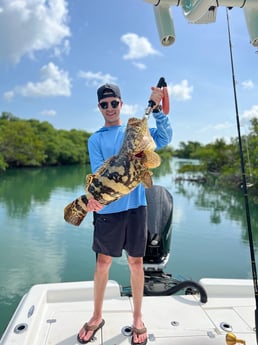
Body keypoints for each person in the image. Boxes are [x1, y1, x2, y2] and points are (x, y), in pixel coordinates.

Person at [77, 83, 172, 345]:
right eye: (104, 104)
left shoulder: (135, 131)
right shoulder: (95, 138)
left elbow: (163, 138)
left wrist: (159, 108)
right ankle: (96, 317)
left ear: (121, 103)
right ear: (99, 107)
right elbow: (100, 172)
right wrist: (94, 200)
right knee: (102, 263)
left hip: (136, 209)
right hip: (109, 211)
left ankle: (138, 318)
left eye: (114, 103)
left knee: (136, 263)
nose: (110, 108)